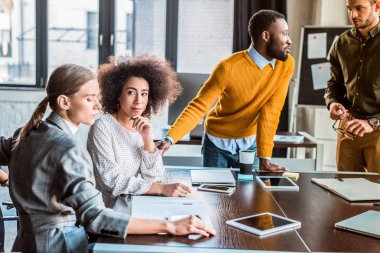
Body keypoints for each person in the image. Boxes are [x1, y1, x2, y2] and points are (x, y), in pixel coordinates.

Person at [0, 64, 215, 252]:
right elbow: (95, 218)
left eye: (97, 98)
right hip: (61, 245)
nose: (98, 106)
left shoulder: (25, 133)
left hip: (25, 243)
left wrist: (9, 181)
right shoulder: (69, 149)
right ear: (65, 102)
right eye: (88, 99)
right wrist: (170, 226)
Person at [159, 10, 294, 171]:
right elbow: (199, 106)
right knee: (215, 193)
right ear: (266, 36)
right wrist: (170, 138)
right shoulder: (228, 67)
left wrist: (265, 157)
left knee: (252, 195)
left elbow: (271, 111)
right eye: (284, 34)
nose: (289, 40)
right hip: (217, 143)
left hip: (250, 143)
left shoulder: (286, 64)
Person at [87, 55, 192, 208]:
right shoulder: (102, 127)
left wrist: (147, 138)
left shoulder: (140, 127)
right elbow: (111, 181)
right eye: (131, 92)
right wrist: (163, 189)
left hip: (133, 204)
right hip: (107, 212)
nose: (139, 101)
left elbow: (154, 177)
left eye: (144, 93)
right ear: (117, 93)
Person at [325, 0, 380, 173]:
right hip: (347, 129)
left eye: (359, 8)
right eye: (349, 9)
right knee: (344, 193)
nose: (353, 15)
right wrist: (333, 103)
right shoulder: (341, 43)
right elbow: (334, 84)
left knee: (376, 195)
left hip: (378, 132)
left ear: (377, 6)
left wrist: (374, 122)